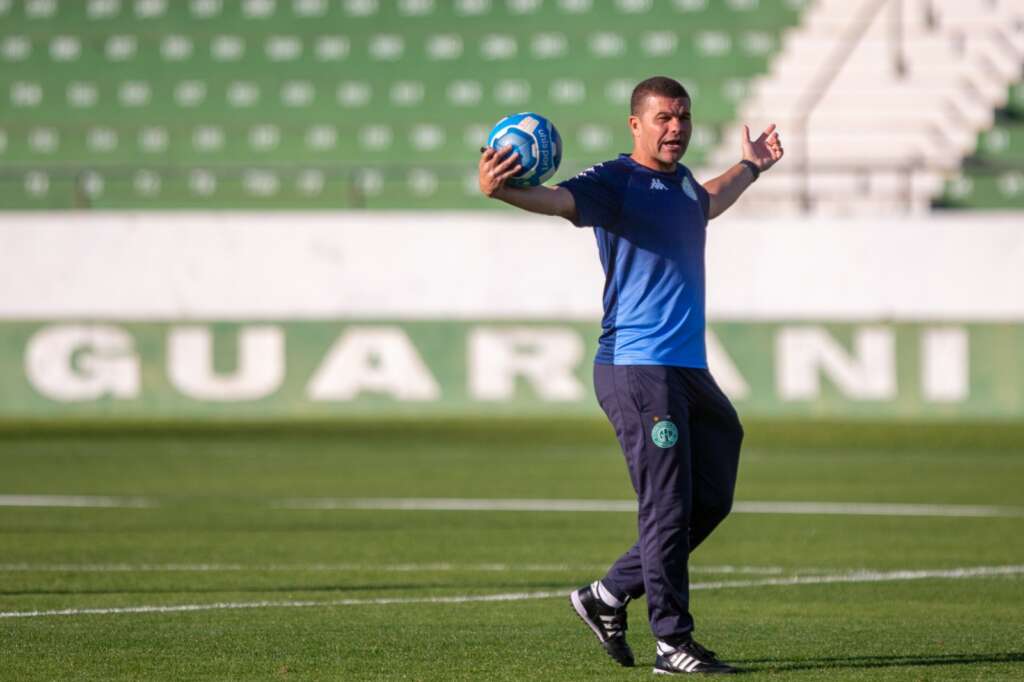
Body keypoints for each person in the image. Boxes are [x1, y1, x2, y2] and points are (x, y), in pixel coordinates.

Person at [477, 75, 784, 674]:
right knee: (666, 505)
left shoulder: (683, 185)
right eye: (664, 118)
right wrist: (505, 193)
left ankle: (607, 594)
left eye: (684, 117)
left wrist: (750, 168)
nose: (676, 128)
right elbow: (560, 201)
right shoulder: (612, 182)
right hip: (637, 368)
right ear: (635, 125)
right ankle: (673, 642)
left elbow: (709, 201)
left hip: (687, 369)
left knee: (712, 496)